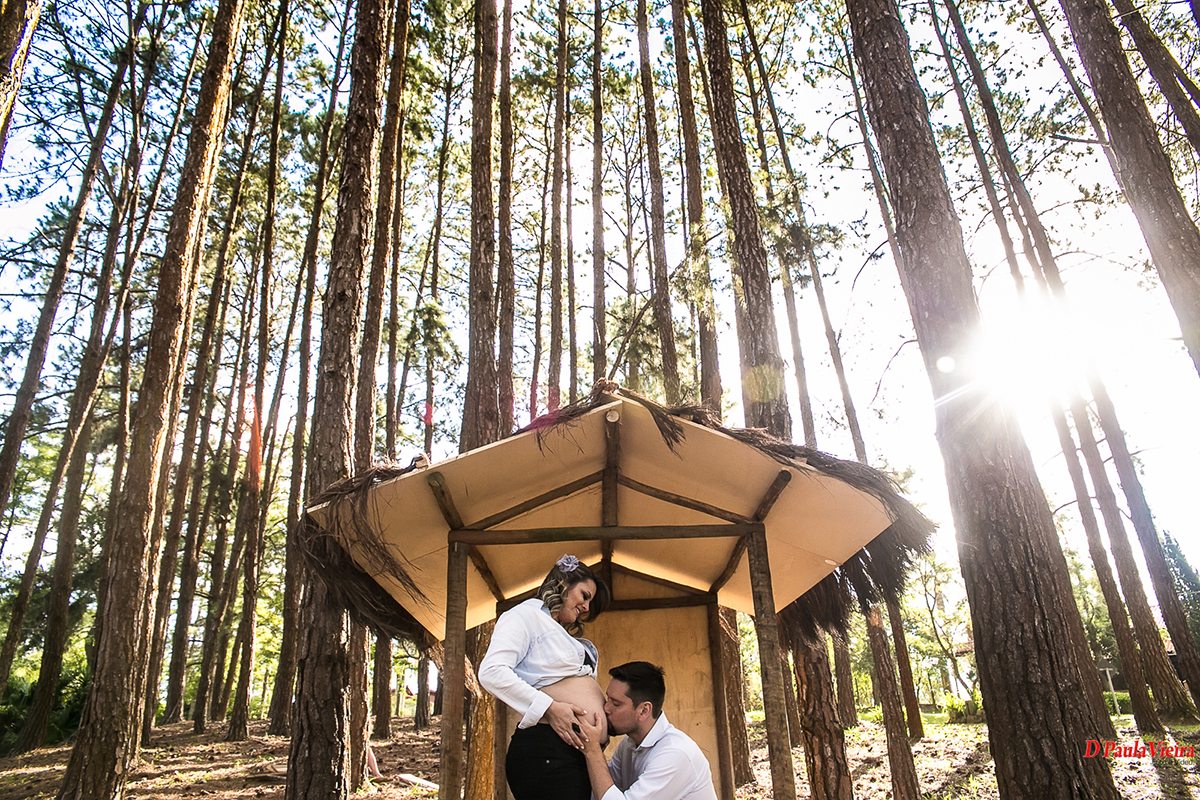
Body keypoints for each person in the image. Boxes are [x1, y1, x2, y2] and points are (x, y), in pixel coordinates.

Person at [478, 555, 612, 800]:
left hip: (575, 754)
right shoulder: (524, 616)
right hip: (547, 752)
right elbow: (492, 672)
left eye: (590, 602)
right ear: (564, 584)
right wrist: (550, 708)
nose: (586, 607)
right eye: (584, 596)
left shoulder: (561, 634)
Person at [575, 661, 718, 800]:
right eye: (608, 699)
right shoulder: (629, 744)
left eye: (616, 703)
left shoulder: (675, 753)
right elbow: (600, 789)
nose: (606, 708)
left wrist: (593, 751)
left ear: (644, 710)